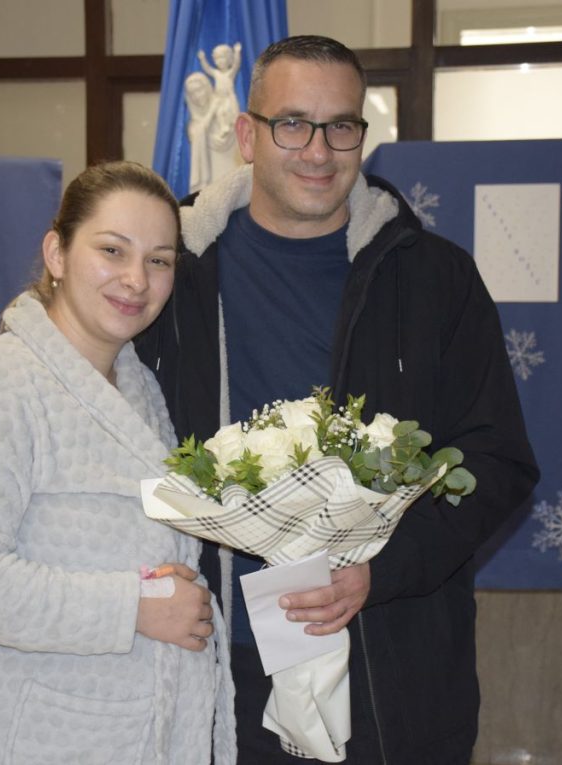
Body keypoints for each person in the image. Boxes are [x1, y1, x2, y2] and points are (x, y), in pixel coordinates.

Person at [136, 36, 539, 764]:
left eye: (341, 126)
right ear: (247, 135)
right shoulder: (171, 271)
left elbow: (498, 462)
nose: (319, 151)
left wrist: (381, 571)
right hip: (211, 669)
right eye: (293, 123)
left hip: (388, 668)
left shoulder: (435, 278)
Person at [0, 161, 236, 764]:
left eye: (159, 260)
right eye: (112, 250)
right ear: (56, 254)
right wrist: (134, 607)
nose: (136, 279)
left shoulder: (141, 389)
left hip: (128, 736)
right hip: (20, 738)